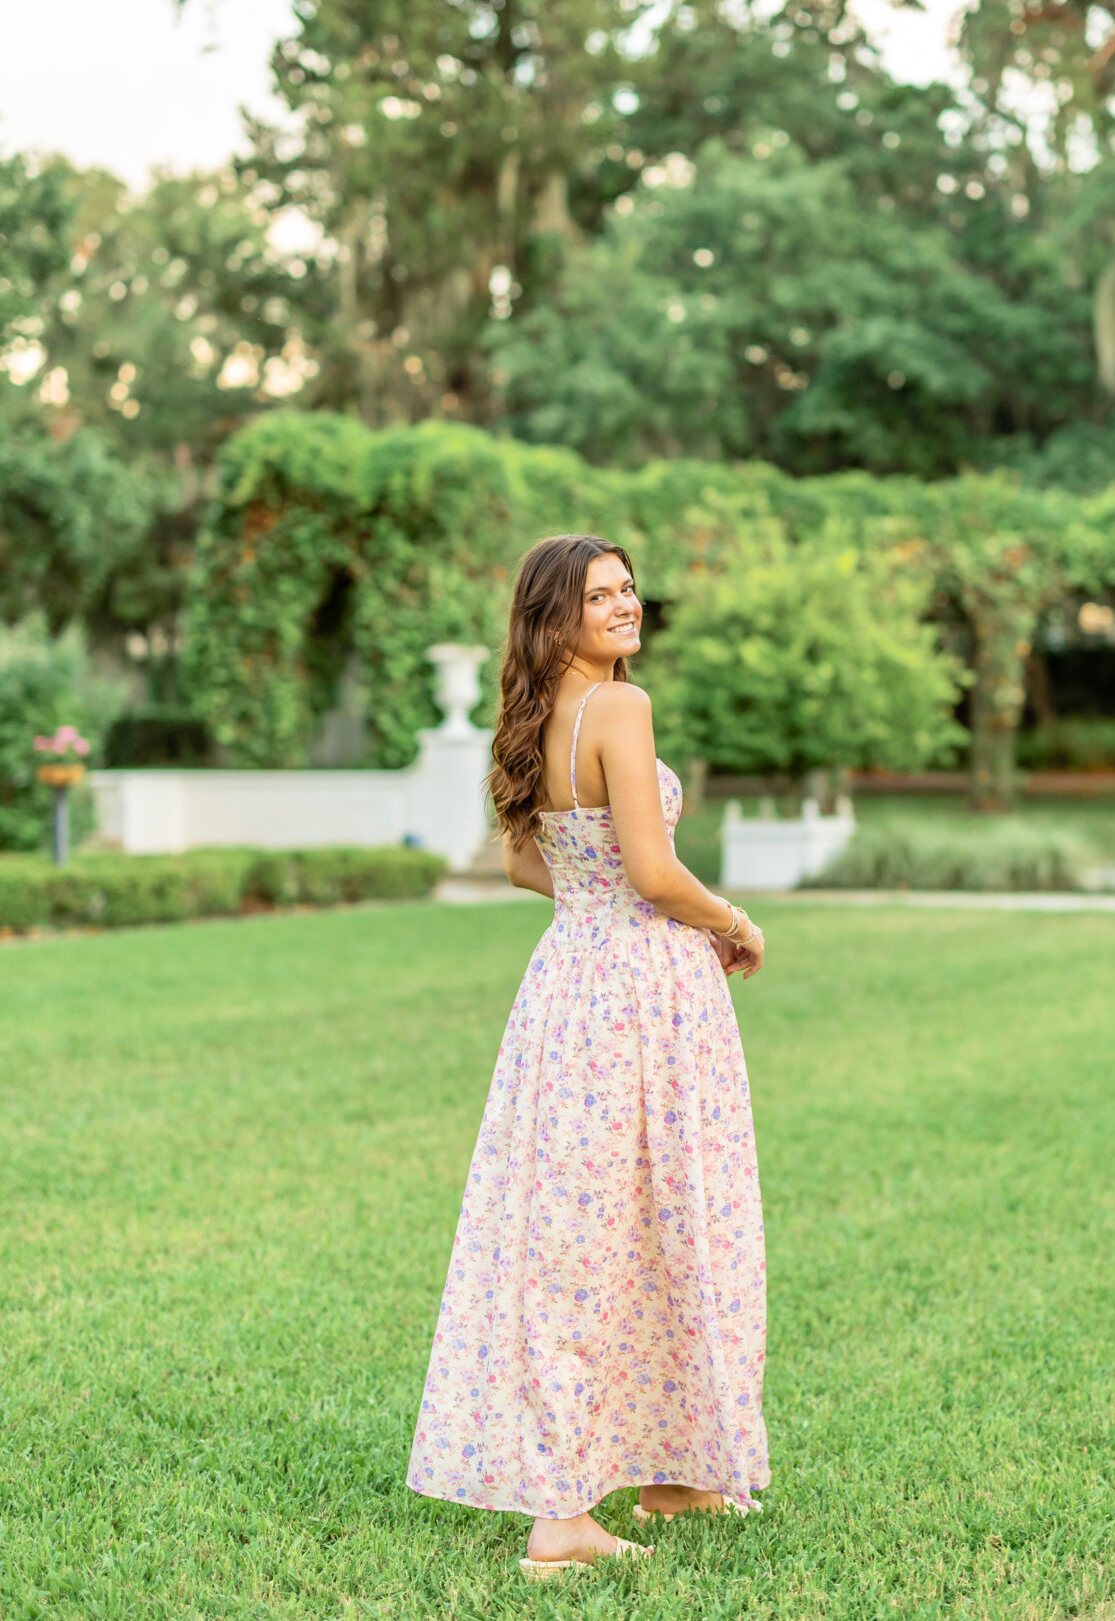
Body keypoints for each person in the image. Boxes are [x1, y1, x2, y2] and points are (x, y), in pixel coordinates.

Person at [406, 534, 770, 1578]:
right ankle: (562, 1518)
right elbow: (653, 872)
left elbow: (526, 861)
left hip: (568, 985)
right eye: (599, 594)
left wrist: (594, 895)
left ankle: (677, 1472)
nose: (625, 604)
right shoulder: (620, 707)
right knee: (667, 1216)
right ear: (553, 616)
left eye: (627, 588)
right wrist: (731, 921)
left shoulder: (530, 720)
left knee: (595, 1228)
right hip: (646, 989)